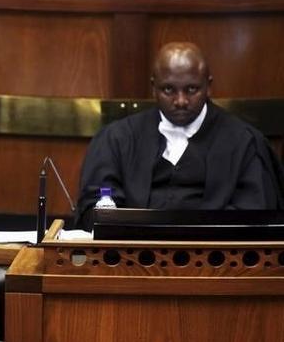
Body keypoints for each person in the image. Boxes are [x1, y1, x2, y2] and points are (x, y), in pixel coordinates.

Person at [76, 42, 284, 228]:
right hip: (131, 261)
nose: (181, 101)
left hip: (216, 263)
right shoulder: (117, 139)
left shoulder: (244, 142)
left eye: (192, 89)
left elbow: (256, 215)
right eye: (168, 90)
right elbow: (95, 209)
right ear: (153, 89)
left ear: (208, 87)